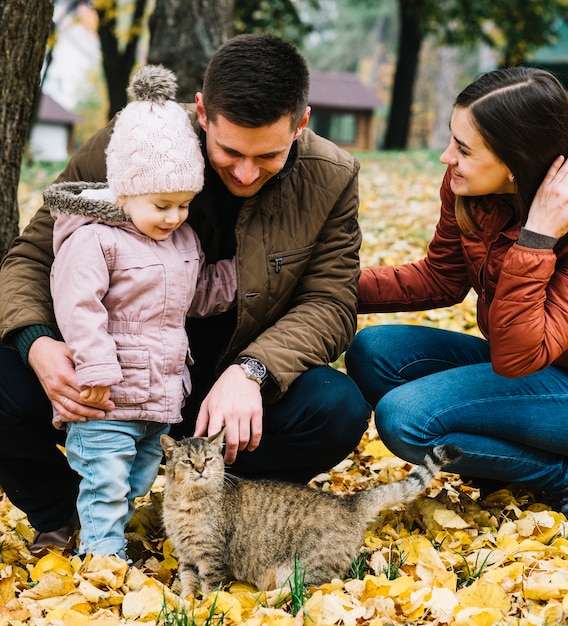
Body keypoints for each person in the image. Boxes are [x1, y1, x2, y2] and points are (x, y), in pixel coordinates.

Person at [0, 34, 370, 553]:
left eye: (268, 155)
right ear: (201, 112)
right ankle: (63, 511)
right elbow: (31, 257)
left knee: (336, 408)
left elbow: (330, 302)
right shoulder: (130, 143)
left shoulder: (331, 177)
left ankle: (228, 513)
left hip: (223, 385)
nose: (245, 173)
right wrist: (37, 341)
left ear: (301, 123)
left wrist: (253, 371)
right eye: (229, 151)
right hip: (108, 376)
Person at [346, 66, 568, 521]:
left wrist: (537, 240)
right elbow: (441, 277)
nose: (445, 158)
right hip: (520, 365)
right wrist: (324, 284)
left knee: (406, 421)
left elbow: (518, 356)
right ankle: (511, 468)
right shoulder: (473, 187)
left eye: (463, 149)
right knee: (374, 351)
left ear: (516, 163)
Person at [47, 65, 237, 559]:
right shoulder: (93, 239)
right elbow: (78, 306)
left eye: (183, 205)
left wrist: (241, 279)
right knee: (105, 478)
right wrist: (96, 366)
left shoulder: (181, 239)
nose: (174, 217)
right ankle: (102, 558)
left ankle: (109, 541)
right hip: (106, 395)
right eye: (161, 205)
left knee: (138, 477)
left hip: (160, 394)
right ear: (126, 190)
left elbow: (192, 296)